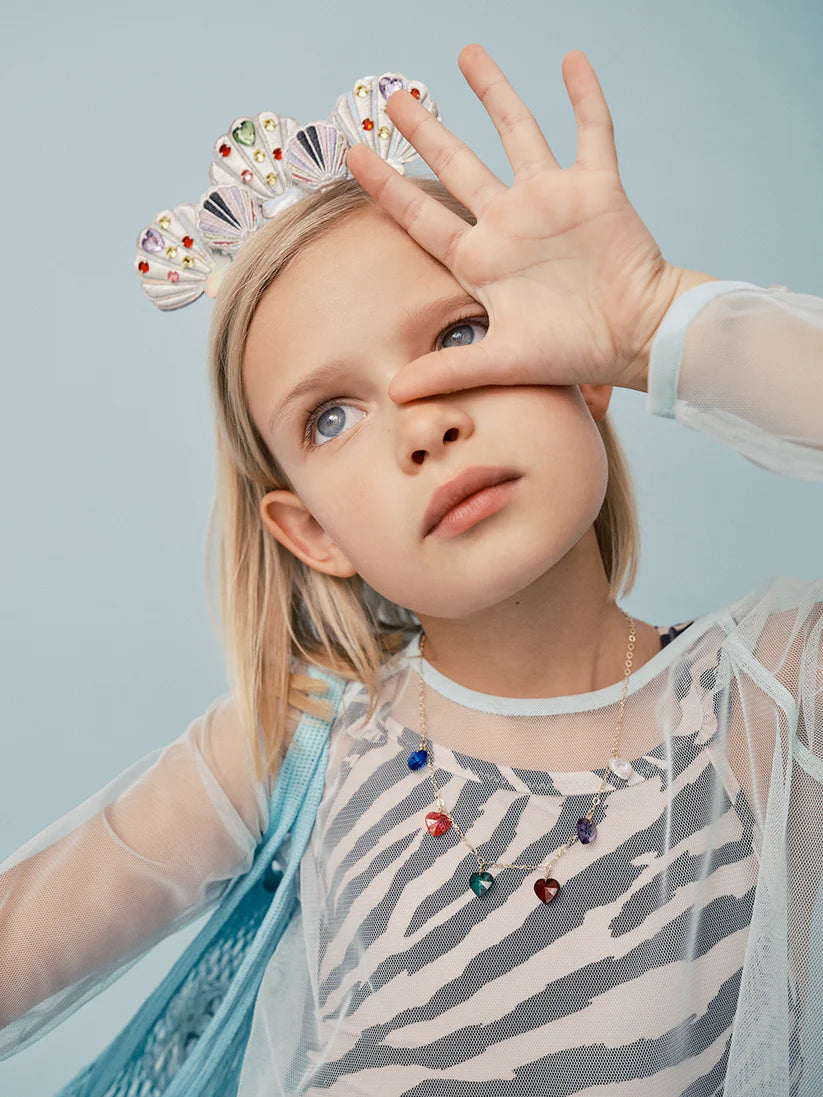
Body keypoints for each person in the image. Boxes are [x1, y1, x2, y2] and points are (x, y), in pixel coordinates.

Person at [1, 43, 821, 1097]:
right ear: (312, 534)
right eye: (332, 415)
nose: (422, 424)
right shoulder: (304, 743)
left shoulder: (767, 699)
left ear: (583, 368)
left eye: (463, 331)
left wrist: (657, 318)